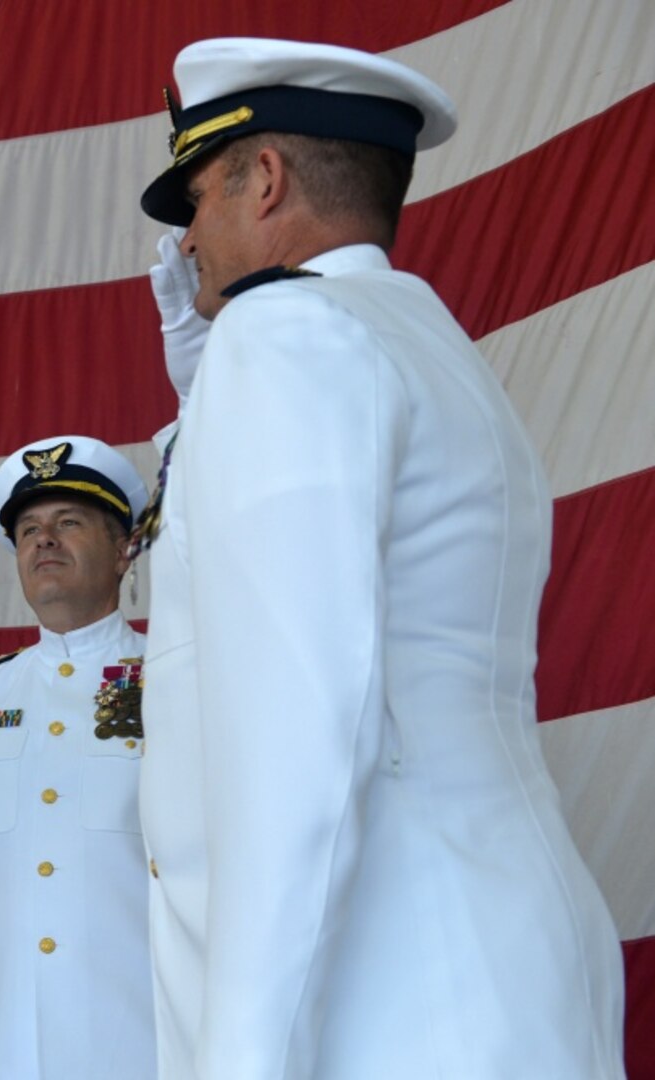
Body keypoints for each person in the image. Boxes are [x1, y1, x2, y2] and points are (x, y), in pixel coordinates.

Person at [131, 37, 625, 1078]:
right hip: (492, 972)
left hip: (381, 1003)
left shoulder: (284, 340)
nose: (188, 244)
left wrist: (244, 1063)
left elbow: (300, 740)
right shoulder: (433, 350)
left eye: (196, 203)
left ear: (262, 179)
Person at [0, 435, 156, 1080]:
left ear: (122, 550)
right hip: (7, 1050)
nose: (44, 541)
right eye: (29, 530)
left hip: (142, 1045)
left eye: (68, 522)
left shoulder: (176, 680)